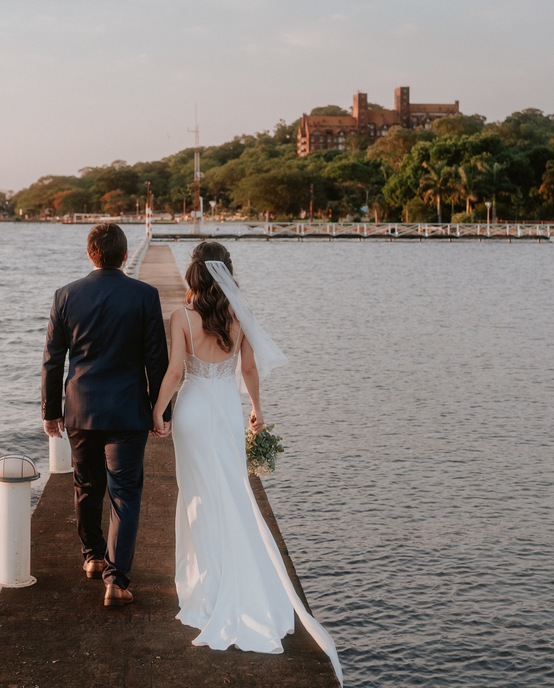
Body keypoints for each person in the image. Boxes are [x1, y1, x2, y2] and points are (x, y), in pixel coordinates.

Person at [152, 241, 343, 683]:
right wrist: (257, 410)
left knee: (198, 496)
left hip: (193, 414)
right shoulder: (239, 314)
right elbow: (250, 370)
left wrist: (157, 409)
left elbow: (176, 373)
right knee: (232, 494)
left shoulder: (181, 317)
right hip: (224, 412)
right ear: (226, 272)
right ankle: (240, 585)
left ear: (193, 275)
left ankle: (207, 587)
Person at [41, 223, 169, 608]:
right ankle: (116, 580)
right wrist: (162, 411)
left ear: (89, 253)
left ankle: (93, 557)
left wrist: (51, 411)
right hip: (129, 412)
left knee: (86, 485)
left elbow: (52, 360)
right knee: (125, 494)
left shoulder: (66, 295)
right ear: (126, 255)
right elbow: (156, 360)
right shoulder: (145, 295)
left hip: (80, 410)